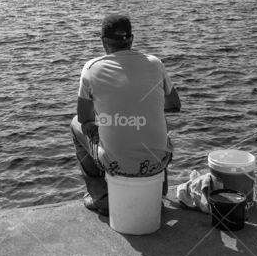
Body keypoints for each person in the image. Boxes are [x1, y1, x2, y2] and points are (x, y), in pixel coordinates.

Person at [71, 14, 182, 215]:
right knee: (156, 119)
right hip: (158, 163)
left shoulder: (91, 68)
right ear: (132, 39)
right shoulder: (155, 63)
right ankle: (159, 192)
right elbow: (174, 104)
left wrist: (109, 112)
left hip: (115, 165)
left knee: (75, 125)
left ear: (103, 41)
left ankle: (101, 198)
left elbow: (83, 118)